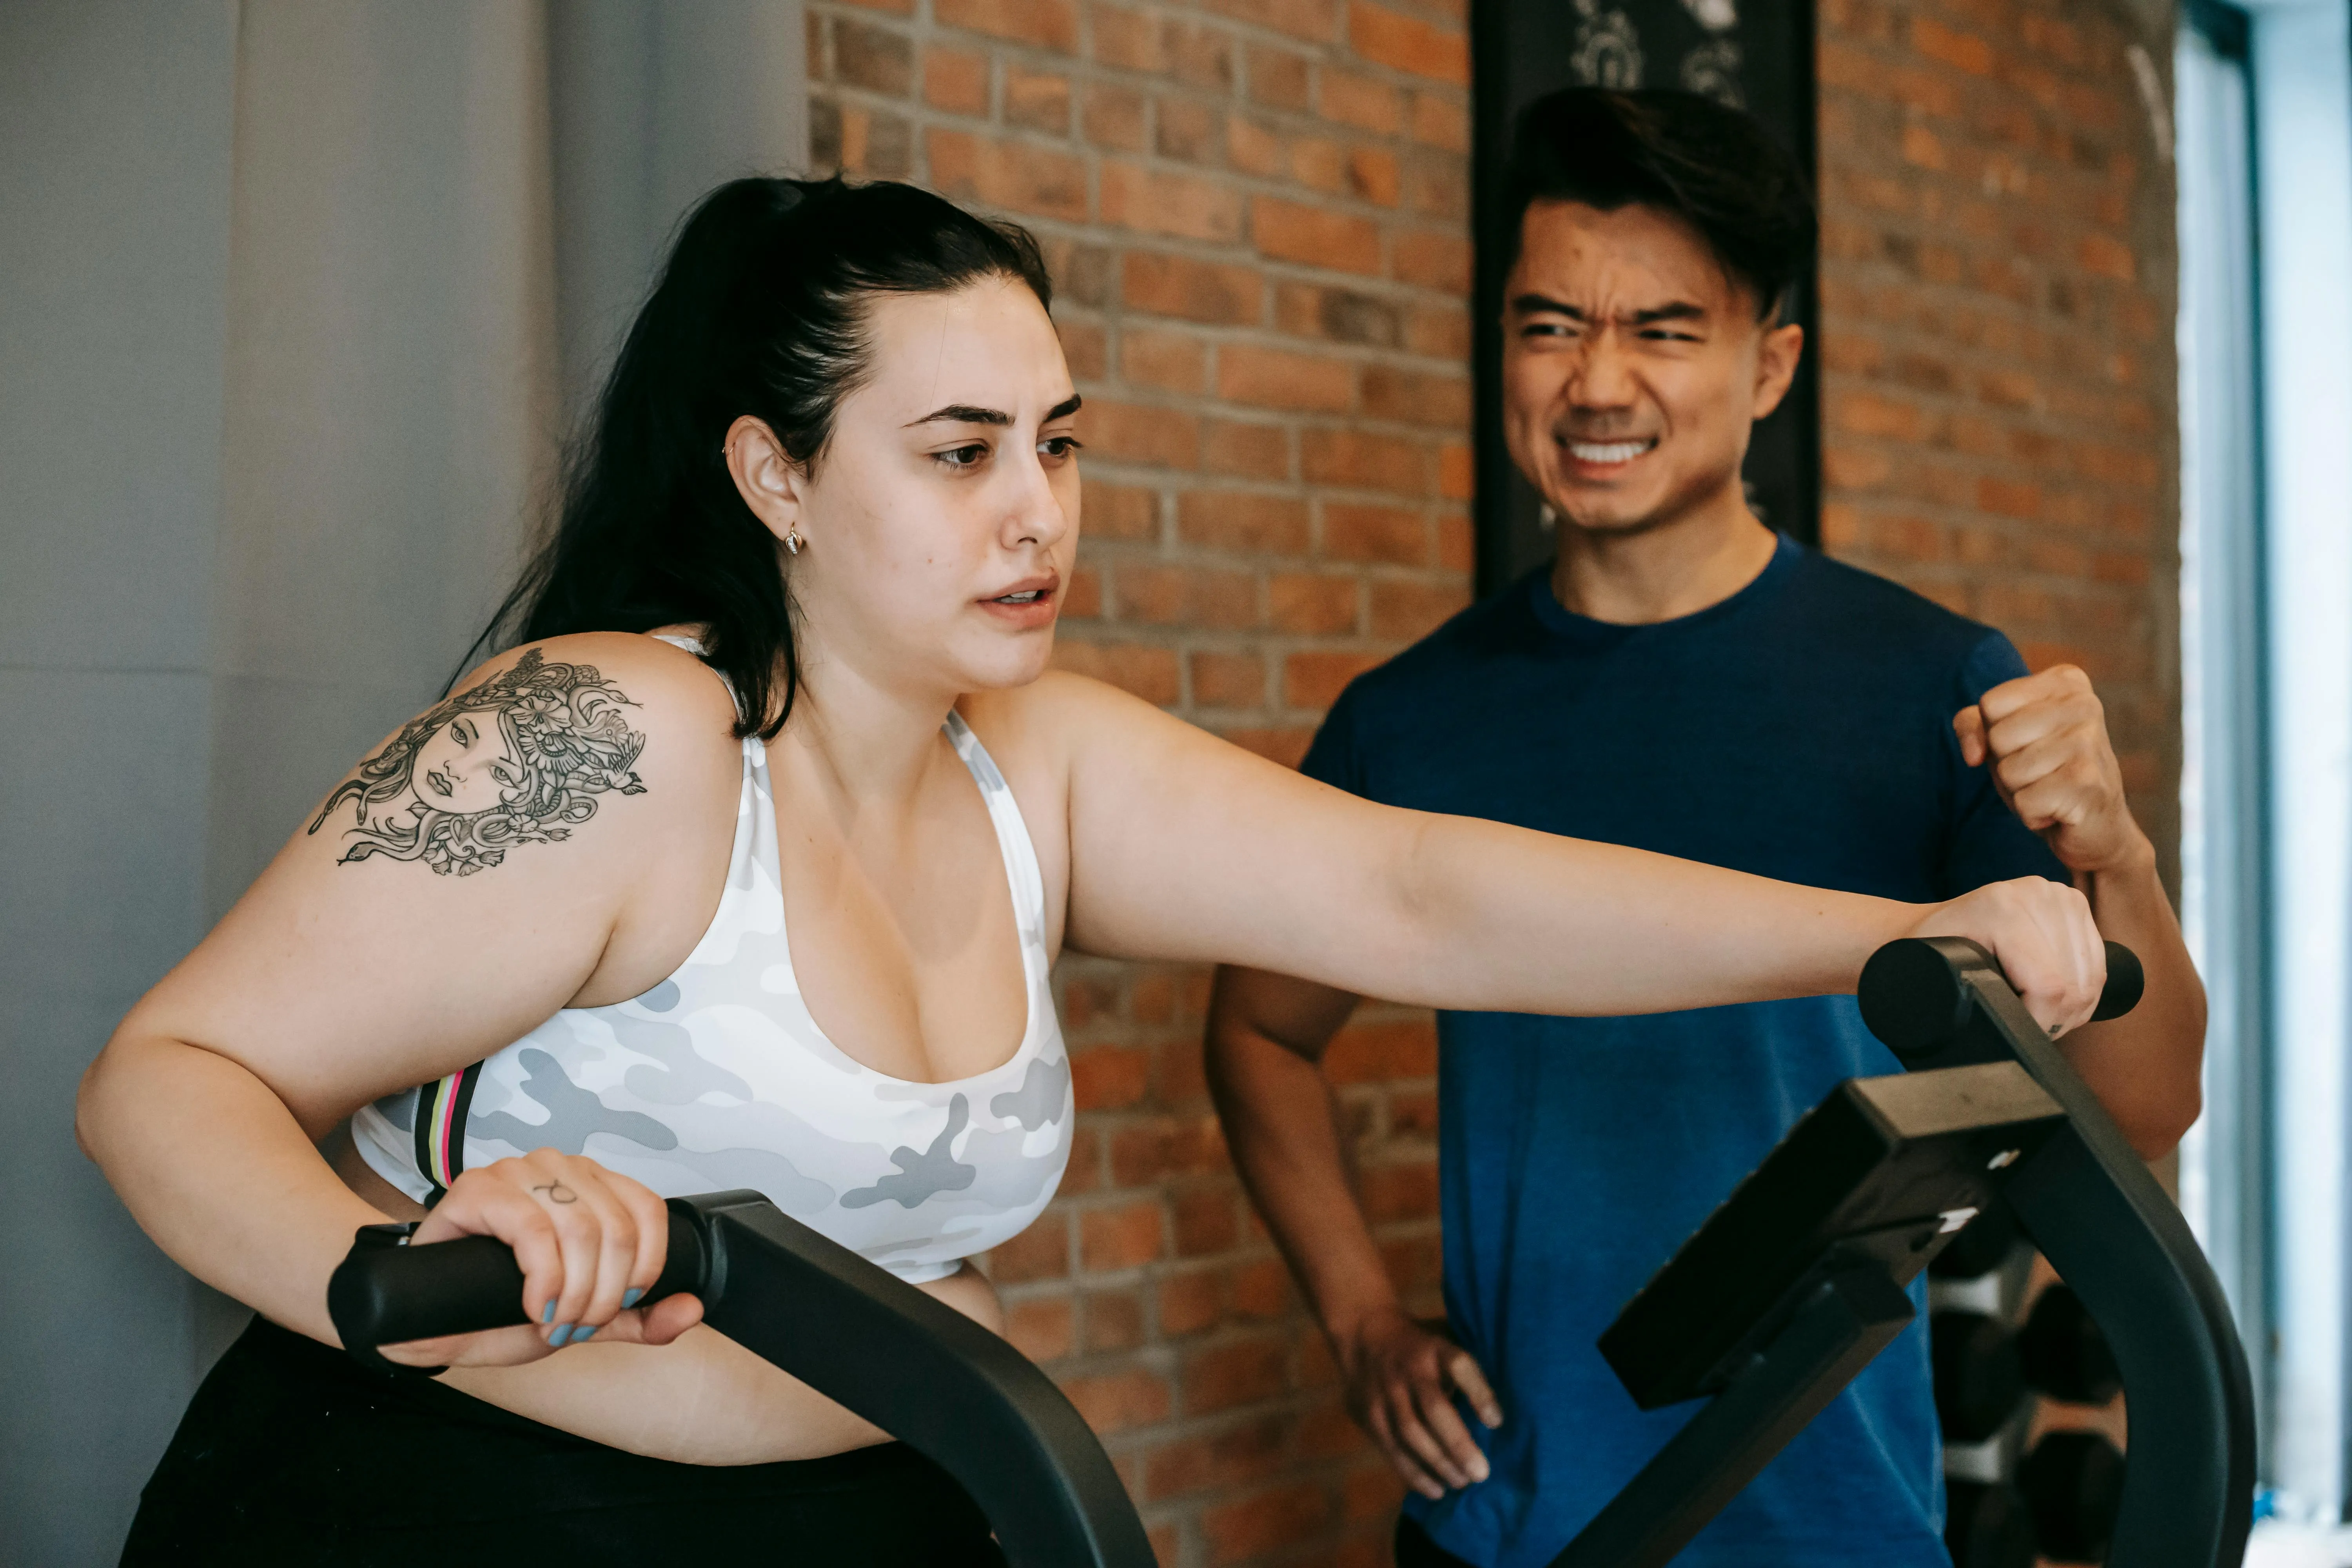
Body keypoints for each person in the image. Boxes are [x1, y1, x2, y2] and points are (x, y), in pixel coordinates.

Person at [78, 174, 2111, 1567]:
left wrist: (1901, 936)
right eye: (959, 452)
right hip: (448, 1514)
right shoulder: (615, 734)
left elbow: (1423, 898)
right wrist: (395, 1274)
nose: (1037, 512)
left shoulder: (1030, 758)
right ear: (777, 475)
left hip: (889, 1513)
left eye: (1057, 442)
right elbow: (164, 1080)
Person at [1204, 89, 2206, 1568]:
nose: (1596, 383)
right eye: (1550, 326)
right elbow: (1258, 1031)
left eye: (1662, 331)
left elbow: (2143, 1109)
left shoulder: (1928, 685)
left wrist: (2117, 855)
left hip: (1835, 1517)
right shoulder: (1412, 719)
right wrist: (1359, 1317)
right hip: (1520, 1522)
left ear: (1770, 365)